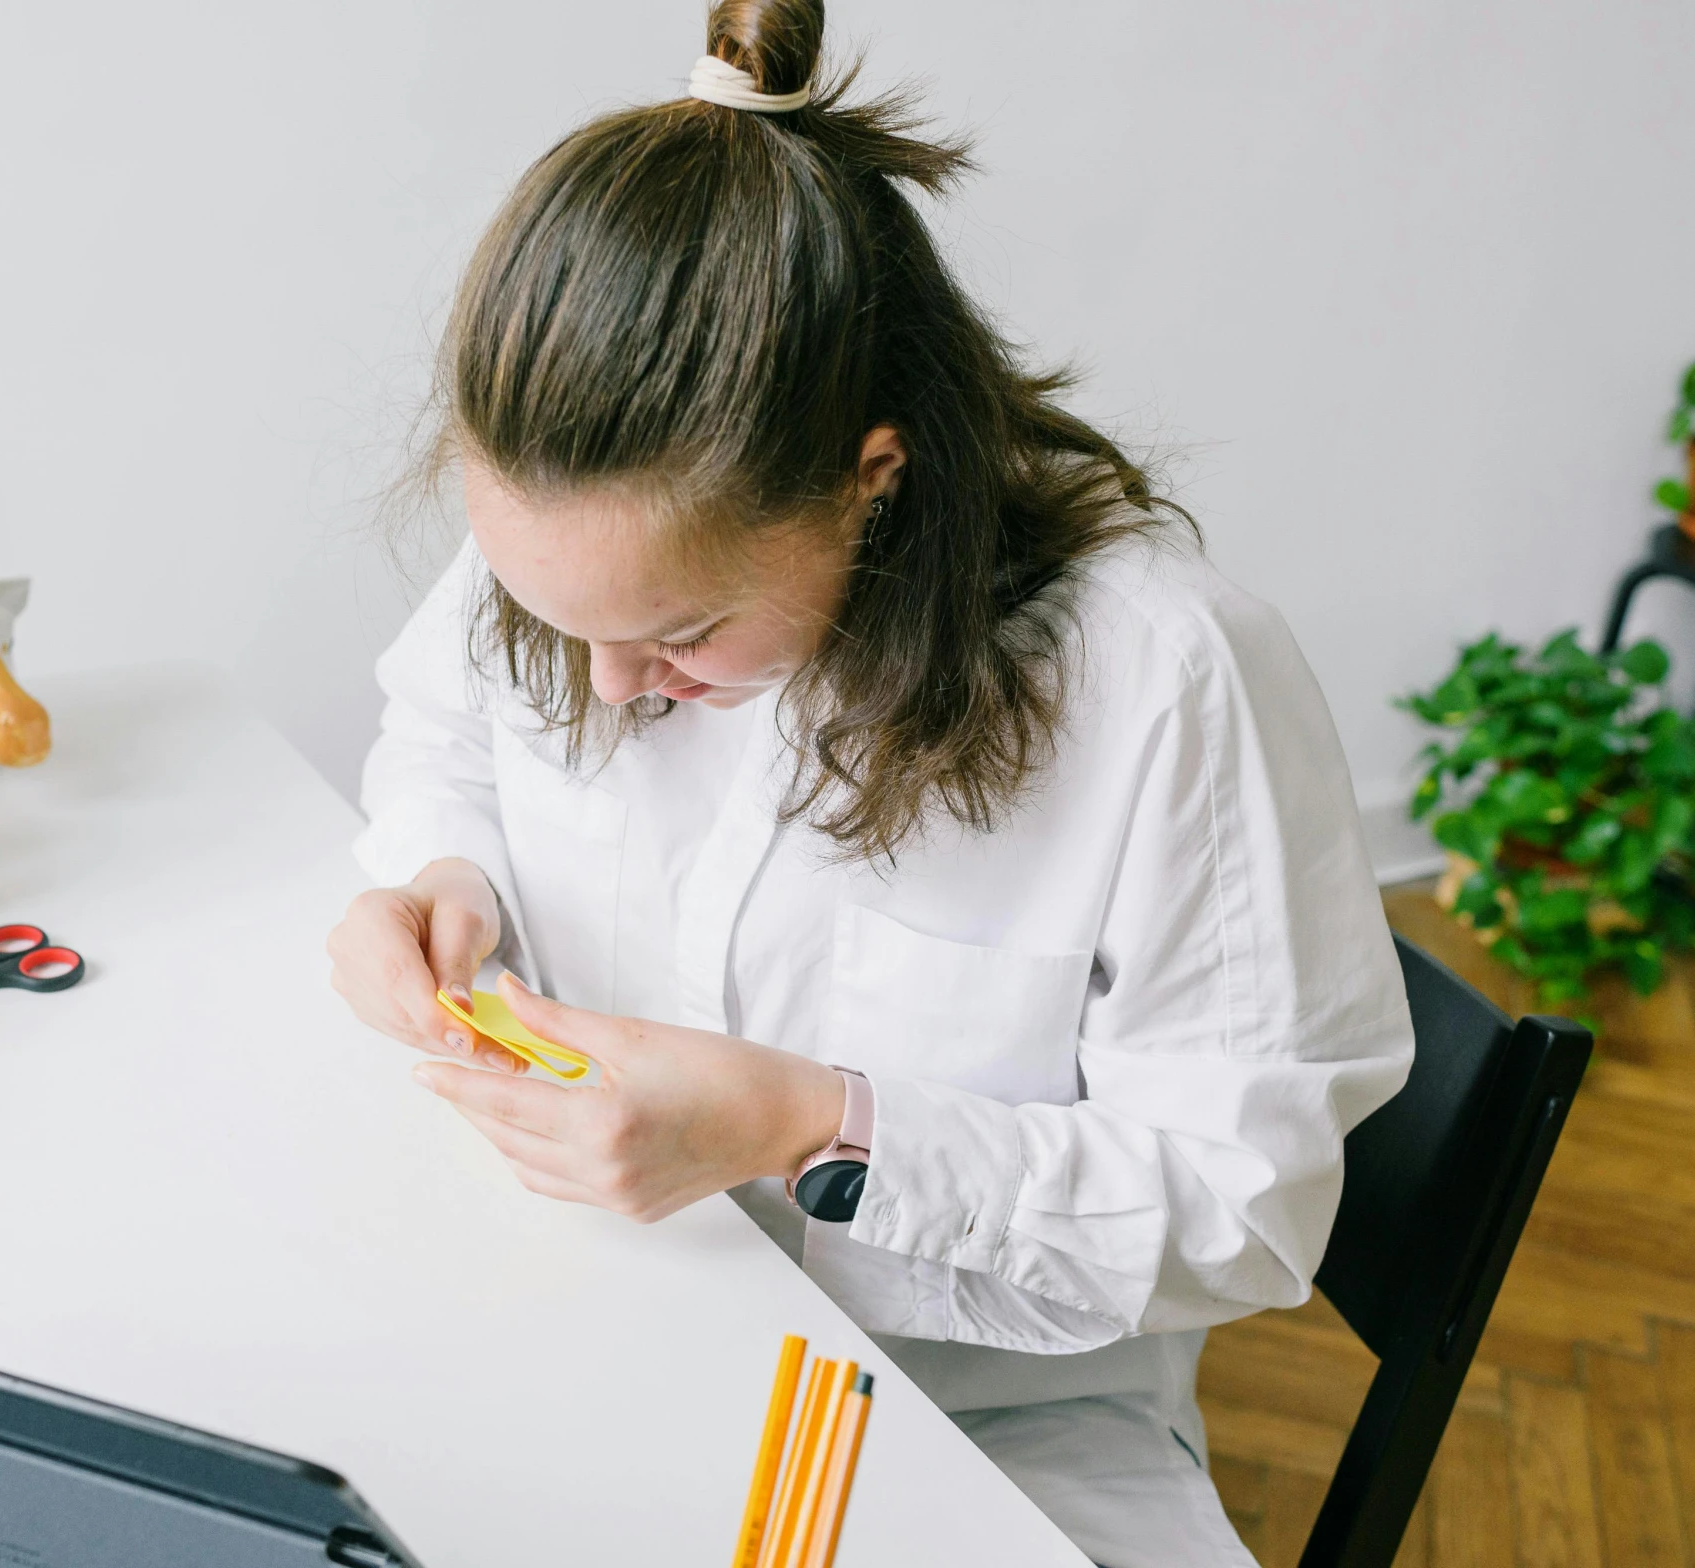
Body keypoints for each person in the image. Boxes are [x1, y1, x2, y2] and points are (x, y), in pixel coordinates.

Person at [325, 4, 1414, 1562]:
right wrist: (442, 880)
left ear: (872, 472)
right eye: (566, 625)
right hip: (604, 1323)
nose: (613, 684)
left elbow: (1244, 1210)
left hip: (973, 1432)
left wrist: (806, 1125)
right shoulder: (595, 556)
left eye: (682, 633)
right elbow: (444, 734)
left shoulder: (1162, 681)